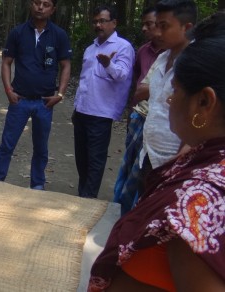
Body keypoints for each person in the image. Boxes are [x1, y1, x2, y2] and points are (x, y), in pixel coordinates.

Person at [88, 12, 225, 291]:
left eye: (175, 90)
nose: (170, 98)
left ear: (204, 102)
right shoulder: (203, 162)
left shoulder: (198, 203)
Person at [0, 0, 71, 190]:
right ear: (30, 5)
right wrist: (8, 90)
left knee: (41, 148)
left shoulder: (59, 35)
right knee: (7, 144)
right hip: (20, 100)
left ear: (53, 9)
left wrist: (60, 94)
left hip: (44, 103)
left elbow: (65, 65)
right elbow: (6, 62)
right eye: (36, 2)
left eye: (46, 4)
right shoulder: (18, 32)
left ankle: (37, 185)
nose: (40, 7)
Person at [72, 5, 135, 198]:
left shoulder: (123, 47)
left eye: (102, 21)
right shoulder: (91, 48)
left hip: (101, 113)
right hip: (82, 110)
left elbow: (123, 75)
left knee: (95, 159)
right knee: (81, 158)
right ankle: (83, 194)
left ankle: (88, 198)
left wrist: (108, 64)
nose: (98, 25)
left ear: (114, 23)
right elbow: (85, 79)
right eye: (95, 21)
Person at [138, 0, 197, 198]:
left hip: (176, 162)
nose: (157, 33)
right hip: (149, 154)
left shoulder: (196, 64)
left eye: (164, 27)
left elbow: (198, 117)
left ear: (186, 28)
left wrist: (180, 160)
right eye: (157, 26)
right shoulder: (162, 58)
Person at [113, 6, 165, 215]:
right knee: (128, 166)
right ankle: (118, 211)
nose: (144, 28)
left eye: (149, 24)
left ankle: (133, 215)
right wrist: (130, 111)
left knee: (144, 172)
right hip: (139, 116)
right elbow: (136, 84)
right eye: (143, 24)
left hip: (159, 124)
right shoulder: (143, 51)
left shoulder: (180, 56)